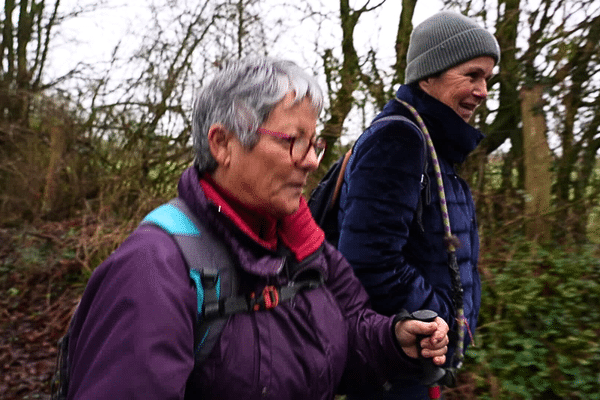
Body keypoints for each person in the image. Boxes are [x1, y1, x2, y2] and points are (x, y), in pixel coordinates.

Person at [62, 57, 450, 400]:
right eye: (293, 141)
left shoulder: (301, 244)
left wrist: (393, 341)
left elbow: (343, 332)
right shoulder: (153, 269)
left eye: (315, 143)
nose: (312, 161)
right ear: (223, 143)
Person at [337, 10, 501, 399]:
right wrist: (438, 316)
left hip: (417, 366)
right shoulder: (400, 140)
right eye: (473, 75)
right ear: (429, 74)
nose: (483, 91)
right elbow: (367, 260)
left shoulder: (437, 147)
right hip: (393, 370)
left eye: (488, 80)